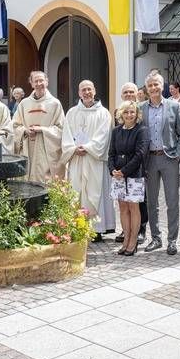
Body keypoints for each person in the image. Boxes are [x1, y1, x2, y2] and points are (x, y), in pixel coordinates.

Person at [61, 80, 115, 242]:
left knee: (95, 191)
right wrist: (72, 148)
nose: (86, 92)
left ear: (95, 91)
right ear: (79, 93)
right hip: (77, 159)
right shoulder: (71, 113)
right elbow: (66, 134)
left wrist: (88, 147)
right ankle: (78, 226)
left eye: (89, 89)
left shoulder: (104, 113)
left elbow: (104, 136)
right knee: (77, 192)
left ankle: (96, 229)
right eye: (83, 90)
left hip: (94, 160)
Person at [139, 72, 180, 255]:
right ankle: (156, 238)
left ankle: (172, 240)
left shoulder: (174, 106)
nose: (153, 88)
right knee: (151, 202)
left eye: (156, 84)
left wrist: (178, 155)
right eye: (150, 85)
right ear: (146, 88)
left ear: (162, 86)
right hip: (149, 159)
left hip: (169, 158)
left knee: (172, 201)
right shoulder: (140, 108)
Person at [108, 100, 149, 256]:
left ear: (137, 114)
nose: (129, 115)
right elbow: (111, 153)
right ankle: (125, 239)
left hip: (134, 175)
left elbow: (140, 155)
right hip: (117, 175)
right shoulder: (116, 131)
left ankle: (133, 241)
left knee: (133, 207)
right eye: (126, 112)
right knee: (123, 208)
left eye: (132, 112)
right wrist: (113, 170)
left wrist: (124, 171)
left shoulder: (142, 130)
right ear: (121, 114)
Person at [12, 71, 65, 182]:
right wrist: (25, 130)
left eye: (41, 80)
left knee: (44, 182)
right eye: (35, 81)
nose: (39, 83)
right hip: (27, 148)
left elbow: (61, 129)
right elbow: (14, 126)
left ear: (47, 82)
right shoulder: (24, 104)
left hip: (46, 150)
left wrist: (42, 130)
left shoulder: (55, 103)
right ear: (31, 84)